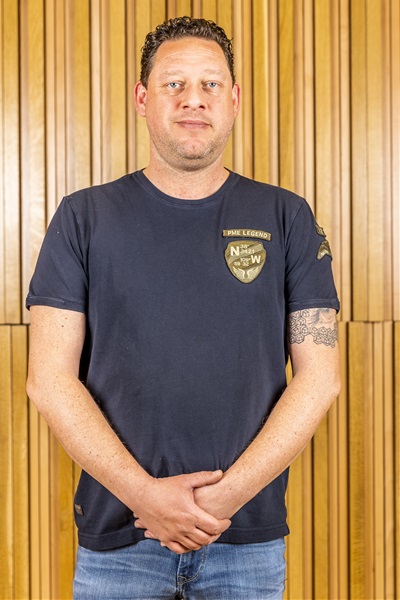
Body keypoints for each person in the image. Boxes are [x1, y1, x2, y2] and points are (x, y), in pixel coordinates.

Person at [26, 16, 340, 600]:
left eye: (210, 84)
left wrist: (223, 499)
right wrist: (145, 496)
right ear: (142, 98)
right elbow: (48, 379)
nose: (193, 99)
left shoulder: (287, 217)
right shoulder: (82, 218)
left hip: (246, 541)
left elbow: (320, 378)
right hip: (118, 542)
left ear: (234, 99)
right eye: (174, 84)